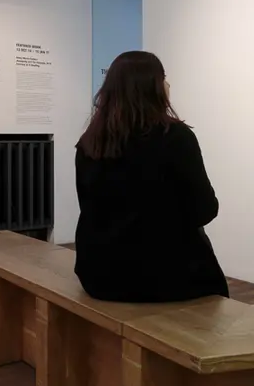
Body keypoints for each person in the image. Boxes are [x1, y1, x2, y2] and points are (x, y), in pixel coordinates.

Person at [75, 51, 229, 303]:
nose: (168, 84)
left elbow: (90, 208)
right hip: (165, 279)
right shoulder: (177, 137)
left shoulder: (89, 143)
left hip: (99, 276)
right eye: (163, 77)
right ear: (151, 87)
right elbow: (205, 210)